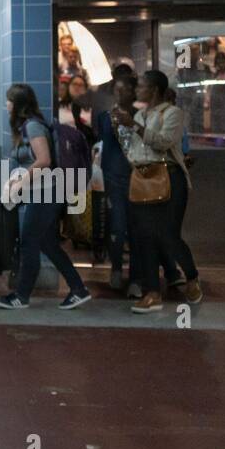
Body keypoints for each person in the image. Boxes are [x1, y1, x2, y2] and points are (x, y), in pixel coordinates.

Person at [0, 83, 93, 310]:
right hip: (45, 192)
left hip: (46, 193)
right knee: (48, 244)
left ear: (17, 104)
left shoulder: (33, 127)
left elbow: (44, 160)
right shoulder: (29, 126)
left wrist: (20, 182)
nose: (6, 104)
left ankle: (21, 295)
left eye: (9, 100)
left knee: (29, 241)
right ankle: (78, 289)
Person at [114, 69, 202, 312]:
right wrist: (124, 131)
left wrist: (135, 126)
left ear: (153, 89)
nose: (137, 89)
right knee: (144, 237)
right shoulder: (140, 114)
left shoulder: (173, 113)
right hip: (144, 179)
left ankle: (192, 276)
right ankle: (152, 292)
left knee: (168, 235)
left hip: (170, 178)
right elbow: (134, 150)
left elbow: (163, 142)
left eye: (141, 85)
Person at [95, 72, 138, 292]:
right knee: (118, 225)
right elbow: (102, 143)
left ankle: (136, 278)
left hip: (138, 178)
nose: (121, 94)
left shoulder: (141, 117)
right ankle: (117, 268)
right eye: (117, 90)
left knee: (137, 228)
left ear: (134, 92)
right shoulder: (104, 117)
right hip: (113, 176)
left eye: (125, 90)